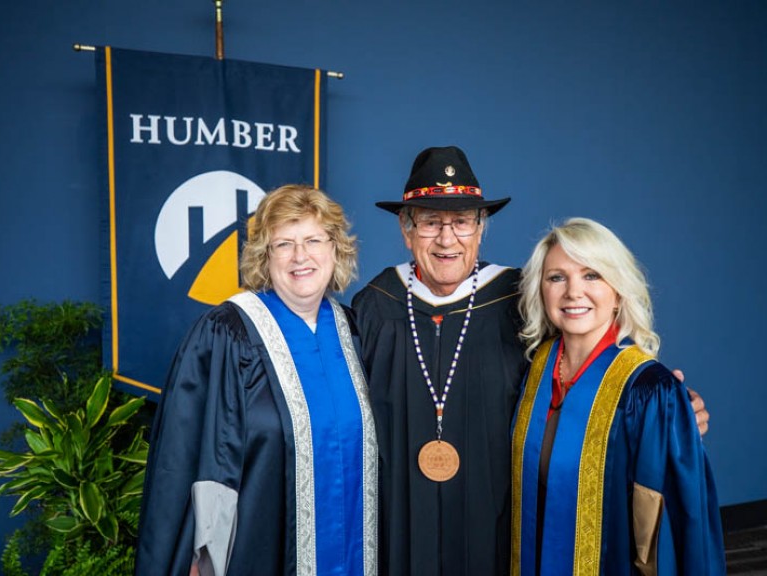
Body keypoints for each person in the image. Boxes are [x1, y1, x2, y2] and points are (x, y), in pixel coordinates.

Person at [351, 146, 711, 576]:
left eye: (463, 222)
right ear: (406, 229)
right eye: (430, 222)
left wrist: (664, 408)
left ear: (481, 228)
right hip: (401, 527)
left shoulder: (518, 300)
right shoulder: (375, 307)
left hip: (506, 531)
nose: (447, 239)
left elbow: (592, 356)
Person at [136, 185, 378, 576]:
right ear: (265, 257)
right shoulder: (227, 334)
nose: (301, 256)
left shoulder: (354, 331)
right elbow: (195, 457)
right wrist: (204, 558)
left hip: (352, 552)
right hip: (256, 554)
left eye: (314, 240)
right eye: (284, 244)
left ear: (335, 248)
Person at [510, 217, 725, 575]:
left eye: (592, 275)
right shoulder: (537, 368)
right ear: (541, 289)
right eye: (557, 277)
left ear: (619, 290)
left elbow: (672, 529)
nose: (573, 292)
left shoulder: (650, 391)